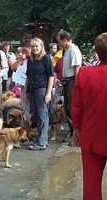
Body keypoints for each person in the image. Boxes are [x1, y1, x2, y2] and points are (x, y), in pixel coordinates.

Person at [71, 32, 107, 200]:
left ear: (97, 52)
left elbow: (76, 106)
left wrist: (76, 129)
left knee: (91, 186)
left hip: (91, 135)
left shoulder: (85, 74)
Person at [26, 38, 54, 150]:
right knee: (35, 115)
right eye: (33, 46)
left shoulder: (46, 58)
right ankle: (39, 138)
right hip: (32, 89)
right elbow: (28, 76)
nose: (35, 48)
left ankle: (42, 142)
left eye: (37, 46)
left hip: (42, 89)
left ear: (41, 47)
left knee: (43, 114)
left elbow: (51, 76)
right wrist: (26, 91)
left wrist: (48, 93)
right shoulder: (30, 59)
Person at [57, 30, 82, 144]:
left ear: (64, 40)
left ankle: (76, 134)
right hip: (67, 81)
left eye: (59, 41)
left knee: (72, 108)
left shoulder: (74, 50)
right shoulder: (66, 51)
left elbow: (77, 69)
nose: (58, 44)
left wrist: (77, 86)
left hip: (72, 81)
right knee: (67, 108)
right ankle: (73, 132)